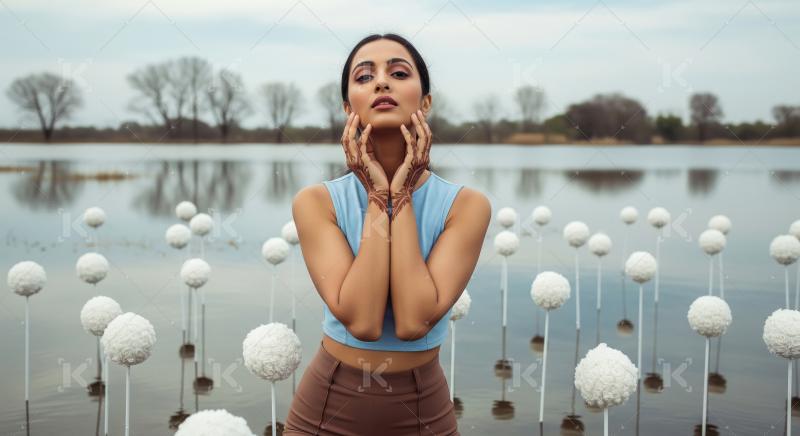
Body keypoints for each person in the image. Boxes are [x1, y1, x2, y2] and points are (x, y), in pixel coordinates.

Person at [284, 32, 491, 436]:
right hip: (326, 409)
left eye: (398, 72)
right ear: (348, 108)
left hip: (423, 410)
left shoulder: (466, 207)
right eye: (364, 77)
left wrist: (404, 194)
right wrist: (380, 196)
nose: (381, 82)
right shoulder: (316, 202)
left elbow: (414, 321)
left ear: (425, 102)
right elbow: (363, 322)